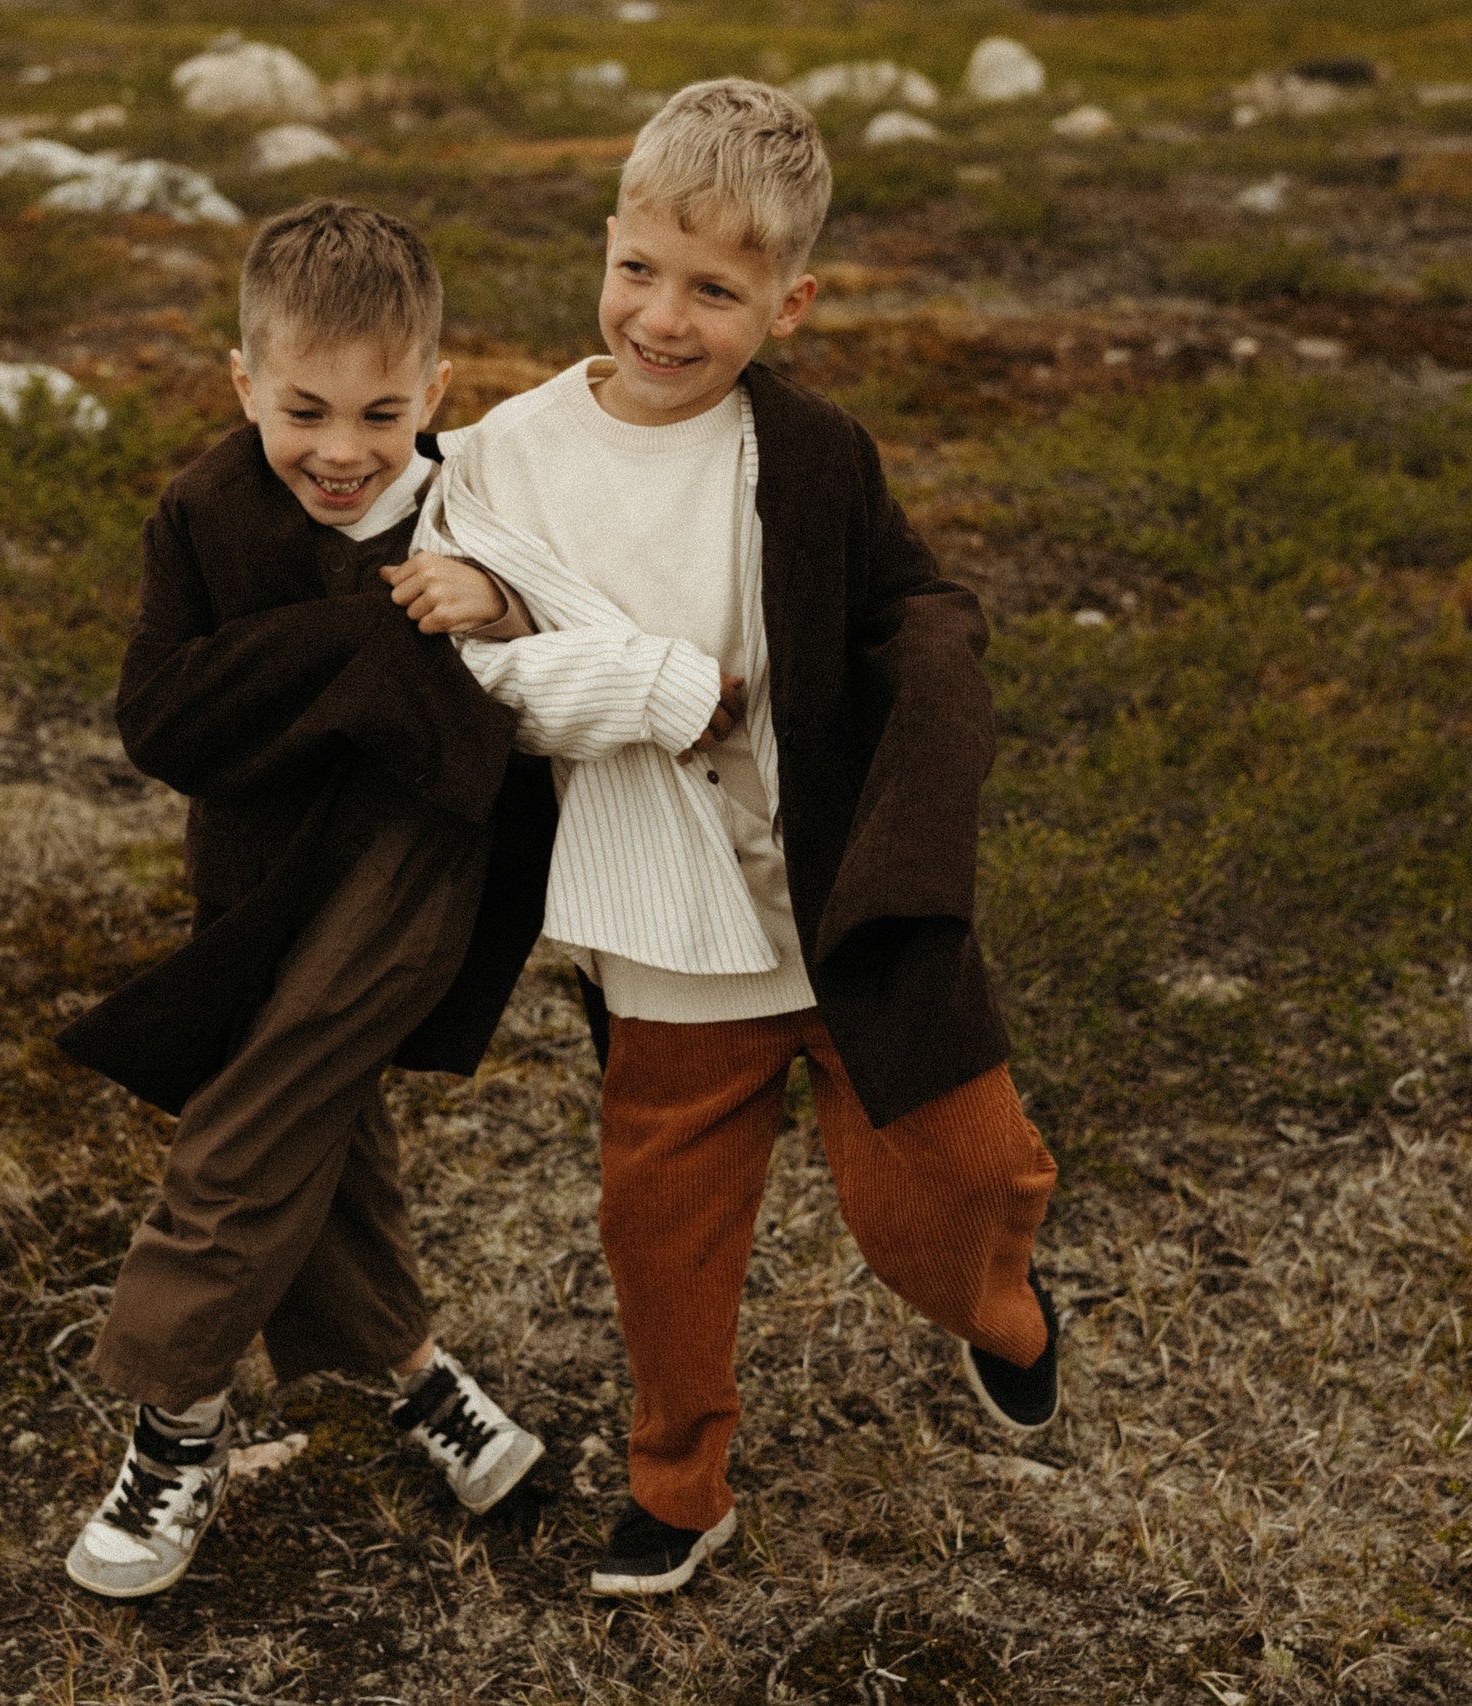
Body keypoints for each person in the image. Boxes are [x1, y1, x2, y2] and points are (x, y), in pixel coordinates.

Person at [396, 79, 1062, 1599]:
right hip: (668, 927)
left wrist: (929, 720)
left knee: (949, 1188)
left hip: (842, 904)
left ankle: (1010, 1308)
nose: (665, 318)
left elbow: (913, 609)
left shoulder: (812, 451)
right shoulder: (506, 460)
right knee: (666, 1233)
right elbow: (476, 674)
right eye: (641, 269)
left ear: (792, 300)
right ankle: (679, 1480)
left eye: (716, 289)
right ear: (606, 245)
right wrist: (646, 680)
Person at [53, 198, 554, 1600]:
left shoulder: (474, 501)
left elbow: (548, 641)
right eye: (304, 410)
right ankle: (411, 1367)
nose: (343, 451)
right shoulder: (203, 512)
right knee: (324, 1110)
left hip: (417, 863)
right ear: (243, 383)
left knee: (257, 1107)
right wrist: (357, 645)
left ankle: (176, 1418)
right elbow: (160, 718)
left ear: (436, 393)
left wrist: (498, 605)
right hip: (260, 875)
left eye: (383, 413)